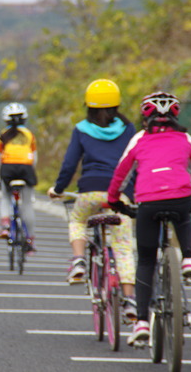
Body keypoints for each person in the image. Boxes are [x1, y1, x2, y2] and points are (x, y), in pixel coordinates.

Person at [107, 91, 191, 346]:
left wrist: (113, 199)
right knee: (184, 217)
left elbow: (122, 171)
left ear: (145, 116)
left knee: (146, 261)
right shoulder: (185, 138)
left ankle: (141, 322)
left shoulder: (139, 139)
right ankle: (187, 260)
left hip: (148, 201)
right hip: (179, 196)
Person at [47, 78, 137, 319]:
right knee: (124, 245)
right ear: (117, 104)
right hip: (120, 194)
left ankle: (78, 261)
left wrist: (58, 188)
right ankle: (130, 300)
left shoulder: (81, 129)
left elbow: (69, 165)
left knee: (77, 220)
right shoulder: (129, 129)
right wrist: (134, 194)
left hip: (90, 191)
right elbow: (136, 163)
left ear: (89, 105)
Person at [0, 102, 38, 255]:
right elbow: (34, 158)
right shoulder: (30, 135)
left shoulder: (2, 135)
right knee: (27, 204)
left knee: (5, 196)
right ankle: (30, 239)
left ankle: (5, 225)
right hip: (26, 168)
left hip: (8, 168)